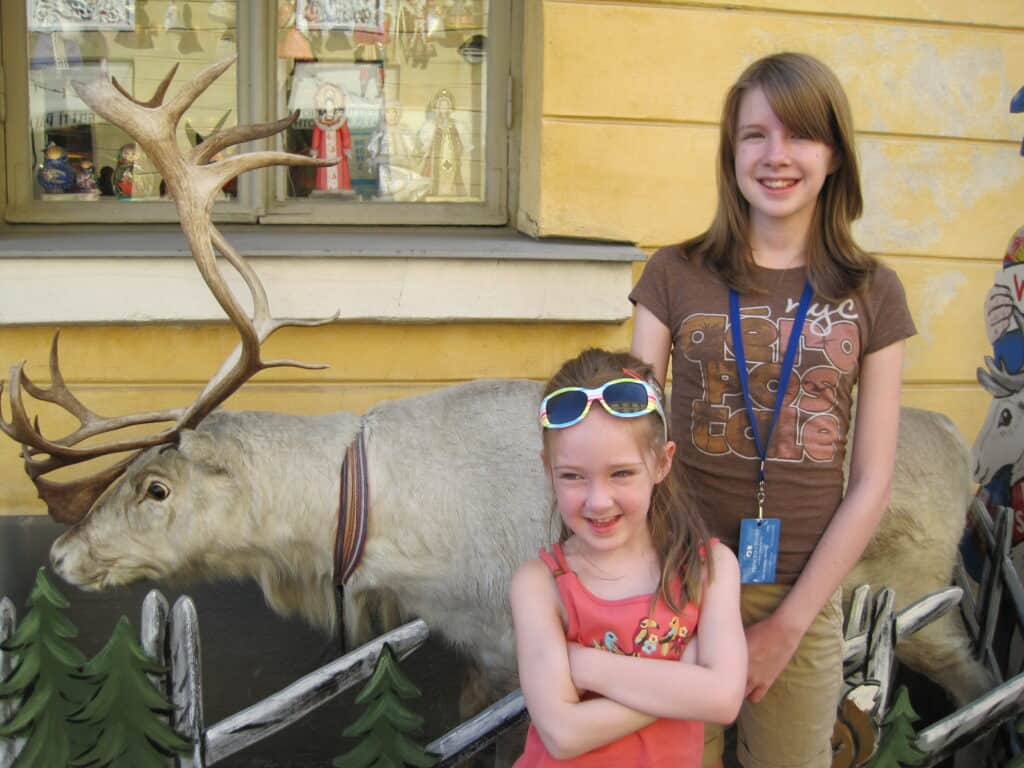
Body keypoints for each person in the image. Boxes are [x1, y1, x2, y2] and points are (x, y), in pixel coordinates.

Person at [629, 52, 916, 768]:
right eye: (755, 135)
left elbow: (872, 480)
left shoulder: (873, 293)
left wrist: (788, 624)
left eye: (799, 135)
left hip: (799, 594)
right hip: (677, 586)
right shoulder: (672, 273)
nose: (776, 155)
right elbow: (629, 443)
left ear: (833, 154)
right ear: (731, 153)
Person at [512, 348, 746, 767]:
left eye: (621, 473)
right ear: (548, 470)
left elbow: (725, 700)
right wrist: (684, 678)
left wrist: (586, 666)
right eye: (572, 476)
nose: (598, 501)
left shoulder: (709, 569)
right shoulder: (539, 584)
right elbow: (563, 734)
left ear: (661, 462)